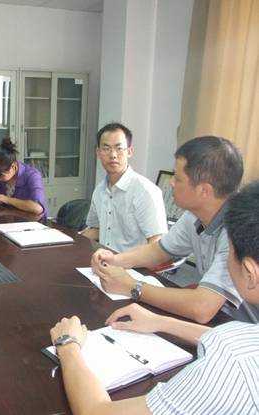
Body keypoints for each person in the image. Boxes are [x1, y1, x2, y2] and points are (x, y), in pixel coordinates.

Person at [50, 180, 259, 414]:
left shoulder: (231, 364)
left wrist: (68, 345)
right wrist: (162, 322)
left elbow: (97, 412)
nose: (172, 181)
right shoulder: (244, 336)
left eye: (229, 252)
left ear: (250, 272)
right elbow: (236, 339)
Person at [91, 136, 247, 324]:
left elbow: (202, 308)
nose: (171, 183)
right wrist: (115, 260)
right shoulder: (194, 215)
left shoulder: (240, 230)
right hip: (220, 321)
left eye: (177, 178)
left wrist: (132, 286)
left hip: (244, 330)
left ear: (204, 191)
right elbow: (160, 250)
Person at [81, 122, 168, 252]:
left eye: (119, 148)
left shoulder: (145, 191)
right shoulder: (99, 190)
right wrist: (70, 239)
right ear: (98, 153)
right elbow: (96, 230)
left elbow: (157, 242)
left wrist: (123, 261)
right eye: (106, 148)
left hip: (133, 263)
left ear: (130, 151)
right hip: (104, 260)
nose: (113, 155)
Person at [0, 138, 47, 217]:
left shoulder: (32, 176)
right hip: (9, 219)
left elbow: (38, 208)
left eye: (0, 176)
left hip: (32, 221)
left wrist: (7, 200)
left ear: (13, 166)